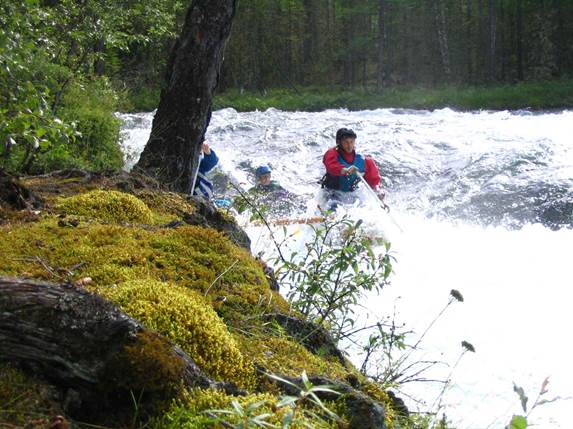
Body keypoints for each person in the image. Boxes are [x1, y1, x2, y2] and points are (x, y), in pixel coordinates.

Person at [321, 128, 385, 207]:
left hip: (352, 194)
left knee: (363, 208)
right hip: (331, 193)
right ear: (338, 142)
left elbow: (374, 182)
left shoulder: (365, 161)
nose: (349, 145)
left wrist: (379, 195)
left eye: (352, 142)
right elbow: (331, 166)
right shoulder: (331, 154)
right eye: (346, 142)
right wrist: (345, 170)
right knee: (333, 210)